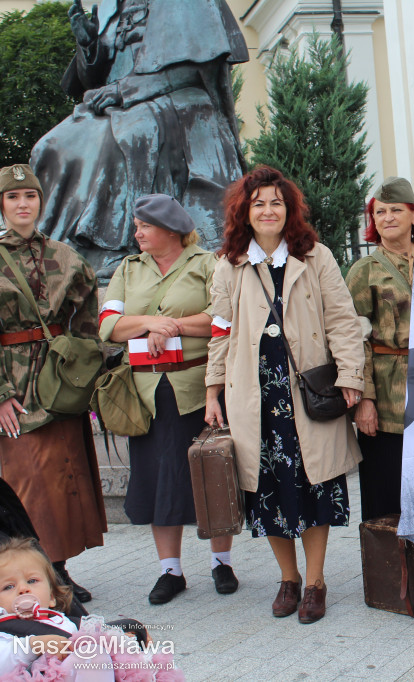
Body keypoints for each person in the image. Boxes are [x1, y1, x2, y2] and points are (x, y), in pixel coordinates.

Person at [205, 166, 364, 625]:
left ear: (289, 209)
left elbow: (342, 320)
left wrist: (351, 374)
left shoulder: (316, 257)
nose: (269, 210)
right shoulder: (229, 265)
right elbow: (220, 332)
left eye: (277, 202)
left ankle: (315, 583)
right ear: (245, 213)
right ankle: (288, 578)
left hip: (309, 393)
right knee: (268, 489)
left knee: (315, 483)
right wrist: (213, 391)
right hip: (255, 399)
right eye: (259, 204)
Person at [30, 0, 248, 277]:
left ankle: (115, 248)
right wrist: (89, 47)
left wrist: (126, 91)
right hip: (115, 104)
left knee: (123, 139)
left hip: (175, 99)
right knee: (49, 146)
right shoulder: (112, 5)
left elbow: (194, 71)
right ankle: (54, 249)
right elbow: (92, 80)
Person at [98, 194, 237, 605]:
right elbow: (109, 324)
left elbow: (221, 316)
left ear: (171, 231)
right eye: (137, 226)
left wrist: (171, 325)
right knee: (158, 481)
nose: (136, 233)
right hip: (146, 394)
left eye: (144, 226)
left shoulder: (207, 264)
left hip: (197, 389)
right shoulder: (128, 268)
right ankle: (170, 571)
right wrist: (149, 323)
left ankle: (222, 562)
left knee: (212, 473)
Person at [0, 164, 105, 605]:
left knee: (65, 482)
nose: (23, 204)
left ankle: (58, 573)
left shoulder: (67, 257)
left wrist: (83, 379)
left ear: (41, 203)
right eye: (13, 197)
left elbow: (86, 321)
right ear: (2, 205)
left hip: (59, 384)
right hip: (16, 388)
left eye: (30, 196)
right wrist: (1, 395)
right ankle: (26, 576)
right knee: (27, 486)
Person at [346, 178, 414, 521]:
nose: (388, 217)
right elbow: (355, 339)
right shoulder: (364, 271)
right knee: (388, 483)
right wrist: (364, 400)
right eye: (380, 211)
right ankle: (392, 567)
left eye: (397, 209)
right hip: (388, 394)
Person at [0, 537, 177, 680]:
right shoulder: (5, 631)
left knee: (99, 654)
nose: (23, 589)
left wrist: (122, 640)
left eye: (32, 581)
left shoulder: (64, 621)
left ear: (52, 597)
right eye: (8, 587)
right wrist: (34, 644)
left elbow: (96, 636)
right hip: (33, 676)